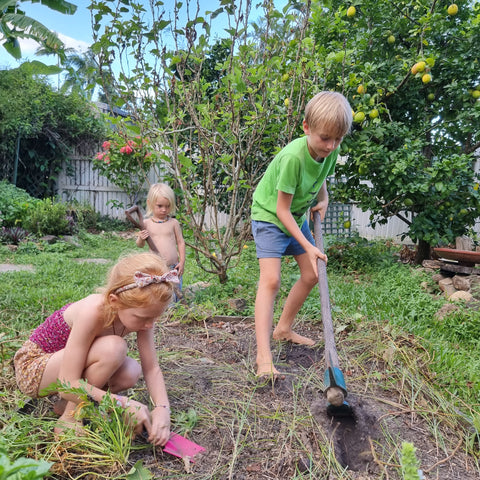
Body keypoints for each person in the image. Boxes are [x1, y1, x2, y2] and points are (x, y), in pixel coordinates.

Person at [14, 252, 179, 445]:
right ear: (114, 301)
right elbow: (67, 383)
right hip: (35, 368)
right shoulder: (93, 311)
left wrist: (162, 408)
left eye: (154, 318)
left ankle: (63, 406)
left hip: (65, 370)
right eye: (143, 318)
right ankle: (69, 417)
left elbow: (151, 368)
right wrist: (120, 403)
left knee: (130, 371)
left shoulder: (142, 314)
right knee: (114, 348)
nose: (150, 324)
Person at [251, 91, 353, 378]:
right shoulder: (293, 158)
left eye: (337, 140)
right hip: (270, 217)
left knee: (311, 275)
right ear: (306, 127)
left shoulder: (329, 152)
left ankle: (283, 328)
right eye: (325, 138)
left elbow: (320, 176)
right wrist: (307, 245)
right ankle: (263, 357)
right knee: (270, 280)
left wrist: (324, 197)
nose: (331, 146)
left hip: (296, 216)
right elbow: (281, 210)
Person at [136, 183, 186, 292]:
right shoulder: (146, 224)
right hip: (156, 267)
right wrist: (141, 238)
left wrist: (182, 262)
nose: (164, 210)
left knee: (176, 292)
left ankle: (176, 308)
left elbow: (181, 242)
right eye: (160, 206)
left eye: (167, 206)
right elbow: (140, 245)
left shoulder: (173, 223)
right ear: (150, 204)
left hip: (174, 267)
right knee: (160, 292)